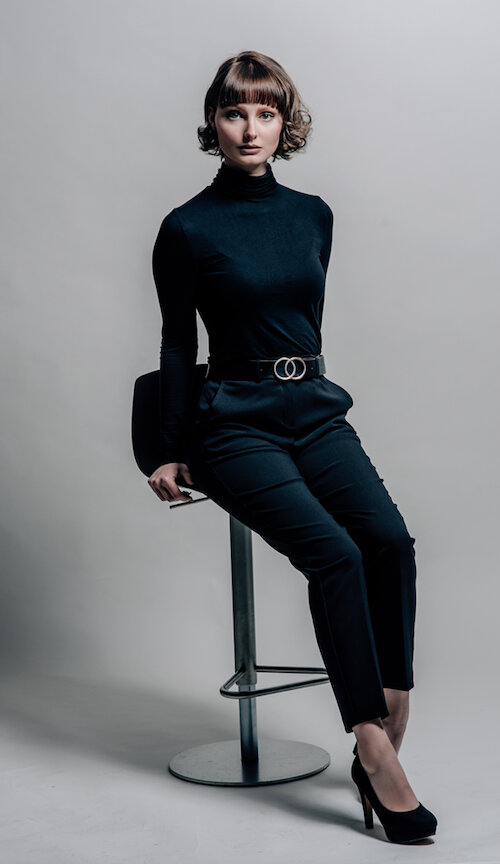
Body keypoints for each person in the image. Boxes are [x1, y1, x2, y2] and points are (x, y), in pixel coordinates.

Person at [148, 50, 438, 844]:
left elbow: (302, 322)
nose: (251, 128)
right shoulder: (187, 227)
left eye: (266, 113)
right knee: (334, 555)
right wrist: (166, 448)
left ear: (285, 123)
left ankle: (394, 707)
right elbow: (177, 343)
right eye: (235, 112)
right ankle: (373, 749)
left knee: (389, 543)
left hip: (312, 409)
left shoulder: (314, 214)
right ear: (214, 122)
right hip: (232, 420)